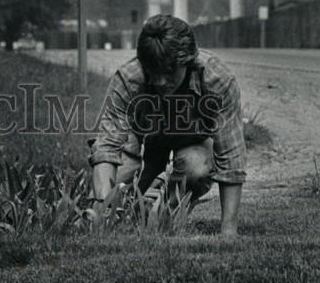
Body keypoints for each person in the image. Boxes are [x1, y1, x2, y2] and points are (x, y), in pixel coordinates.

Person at [88, 15, 246, 236]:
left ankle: (161, 218)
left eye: (170, 72)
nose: (161, 81)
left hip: (193, 140)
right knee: (119, 182)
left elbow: (231, 157)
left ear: (188, 61)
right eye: (154, 72)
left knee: (196, 168)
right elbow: (107, 146)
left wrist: (229, 230)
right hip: (143, 134)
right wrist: (103, 213)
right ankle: (125, 216)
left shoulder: (217, 80)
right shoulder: (128, 78)